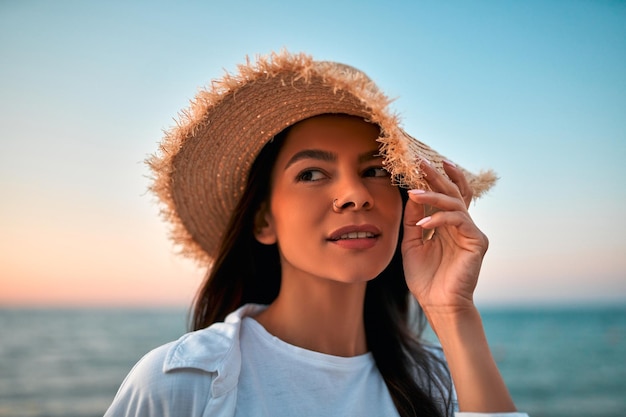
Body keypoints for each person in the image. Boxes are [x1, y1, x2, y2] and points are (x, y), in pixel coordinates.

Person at [104, 50, 528, 417]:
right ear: (263, 221)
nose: (355, 195)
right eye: (311, 173)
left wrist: (453, 313)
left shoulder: (446, 378)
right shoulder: (180, 382)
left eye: (376, 170)